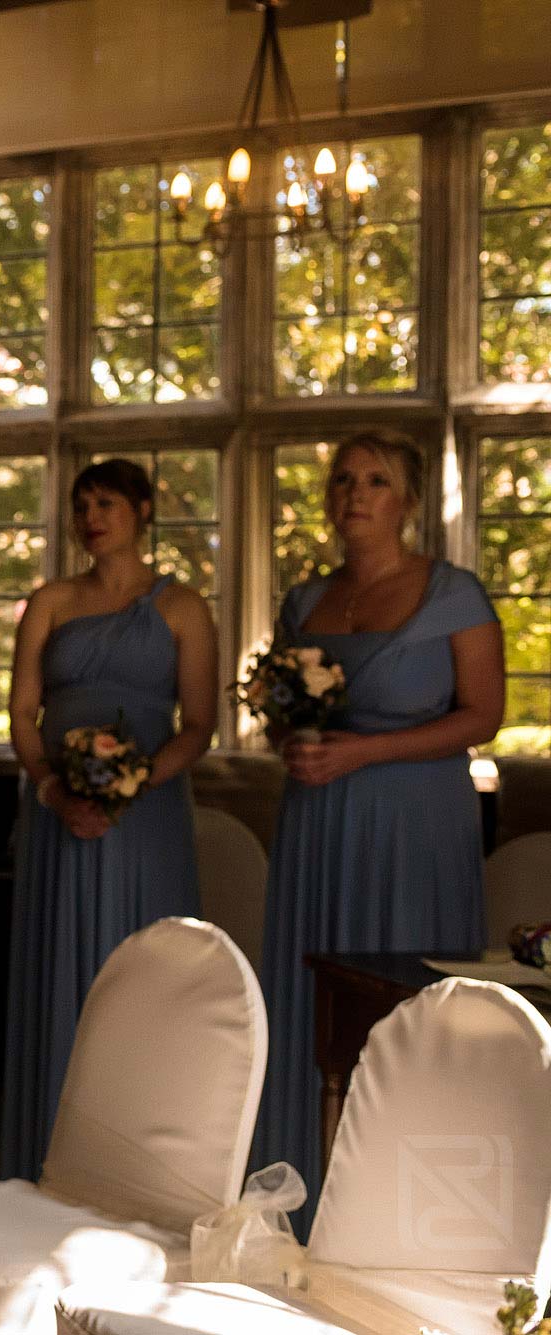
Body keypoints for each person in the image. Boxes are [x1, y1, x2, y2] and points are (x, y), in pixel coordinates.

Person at [253, 430, 503, 1238]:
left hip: (414, 824)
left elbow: (485, 714)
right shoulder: (304, 601)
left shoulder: (455, 593)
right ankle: (302, 1199)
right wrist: (289, 743)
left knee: (401, 1004)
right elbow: (281, 711)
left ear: (408, 501)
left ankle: (405, 1214)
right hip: (318, 823)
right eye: (342, 480)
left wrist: (365, 751)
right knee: (315, 1003)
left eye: (375, 480)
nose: (354, 493)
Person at [2, 459, 215, 1181]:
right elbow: (21, 714)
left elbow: (200, 724)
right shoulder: (51, 601)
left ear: (143, 510)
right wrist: (53, 790)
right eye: (81, 506)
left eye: (107, 504)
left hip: (146, 822)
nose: (90, 518)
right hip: (58, 816)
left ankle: (143, 1172)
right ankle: (51, 1161)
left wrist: (131, 783)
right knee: (60, 973)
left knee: (142, 979)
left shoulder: (183, 607)